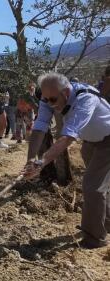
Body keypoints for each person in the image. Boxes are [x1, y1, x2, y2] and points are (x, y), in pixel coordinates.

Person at [23, 72, 110, 249]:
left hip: (108, 140)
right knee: (102, 186)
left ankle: (95, 238)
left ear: (66, 93)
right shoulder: (50, 97)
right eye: (44, 99)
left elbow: (68, 137)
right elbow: (39, 128)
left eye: (52, 100)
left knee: (92, 186)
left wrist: (42, 162)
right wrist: (31, 159)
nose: (48, 104)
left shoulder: (85, 98)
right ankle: (106, 222)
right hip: (91, 142)